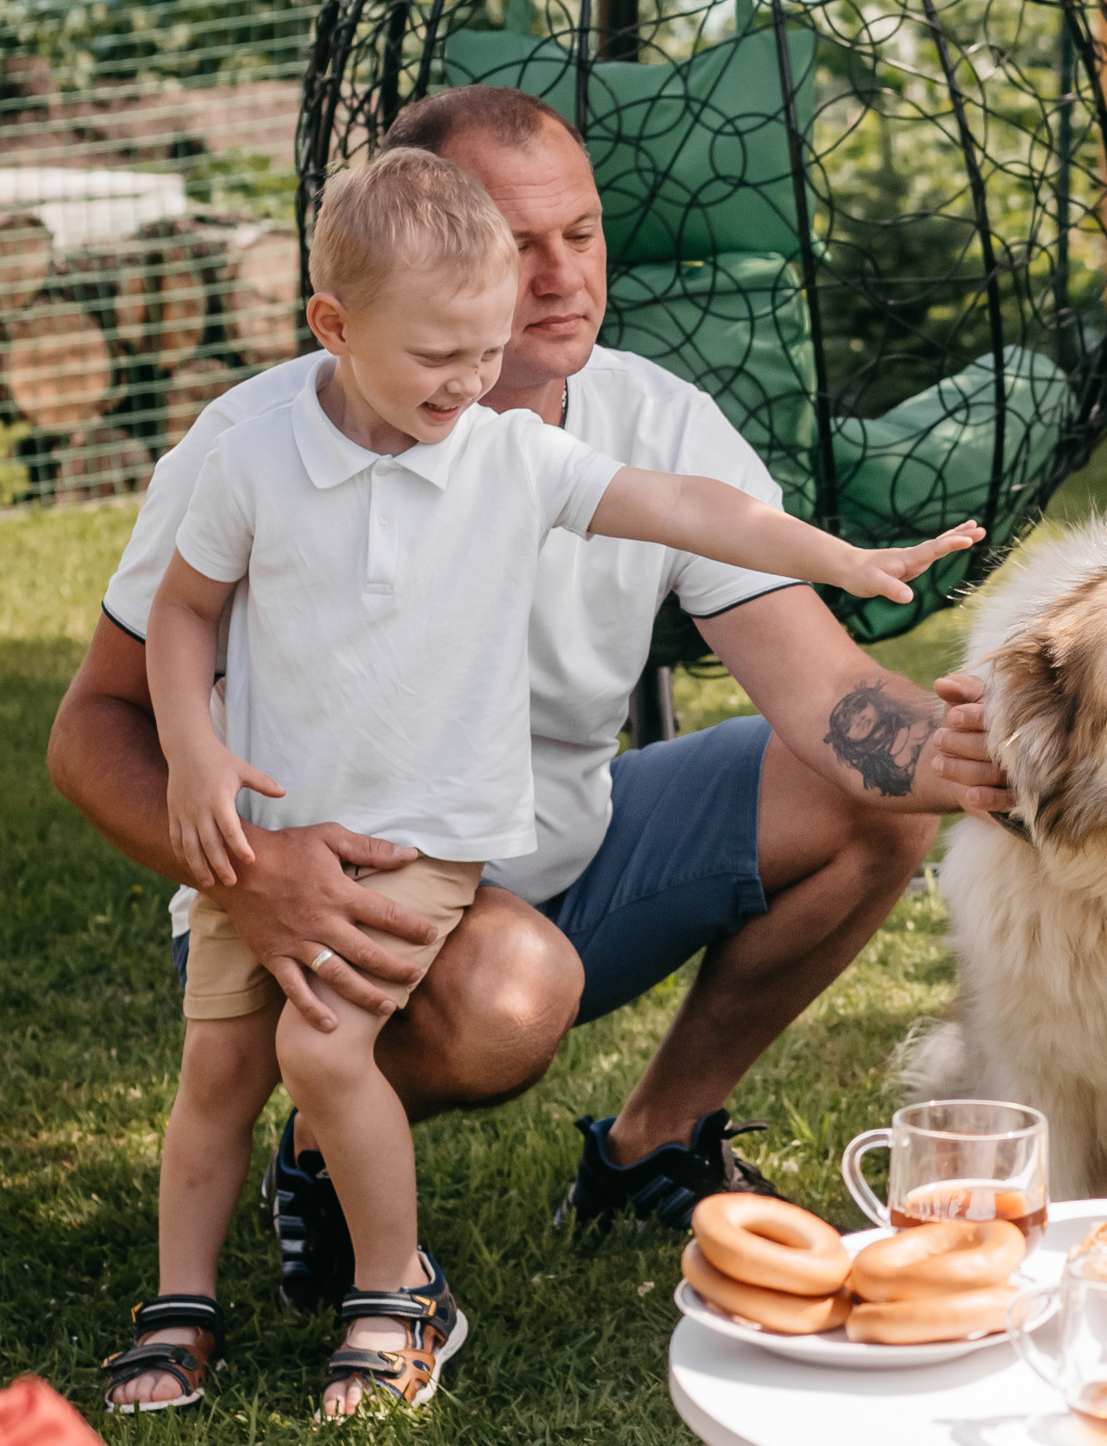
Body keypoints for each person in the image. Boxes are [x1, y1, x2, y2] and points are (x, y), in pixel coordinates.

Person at [49, 82, 1010, 1312]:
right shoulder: (254, 447)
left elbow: (834, 709)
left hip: (562, 837)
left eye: (584, 234)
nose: (561, 278)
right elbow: (91, 732)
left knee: (875, 809)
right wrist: (255, 873)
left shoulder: (652, 419)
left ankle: (652, 1142)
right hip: (346, 870)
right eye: (518, 244)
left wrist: (1034, 755)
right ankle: (320, 1147)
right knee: (512, 999)